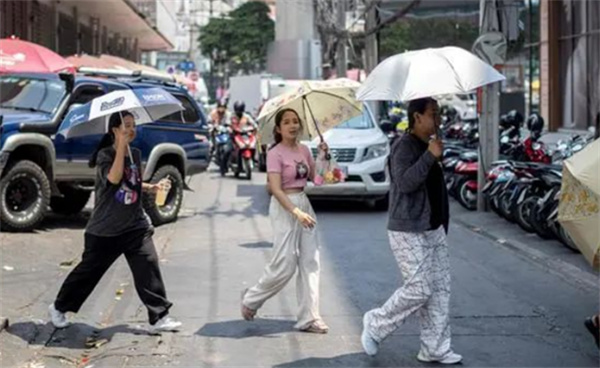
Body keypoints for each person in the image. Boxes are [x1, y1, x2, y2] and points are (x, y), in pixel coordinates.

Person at [48, 111, 181, 334]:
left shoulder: (135, 154)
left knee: (148, 265)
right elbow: (114, 179)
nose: (131, 130)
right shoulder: (105, 156)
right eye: (125, 126)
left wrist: (152, 187)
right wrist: (120, 147)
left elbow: (131, 183)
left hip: (135, 226)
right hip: (106, 229)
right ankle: (58, 307)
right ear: (114, 131)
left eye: (133, 126)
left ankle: (159, 317)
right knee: (88, 274)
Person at [361, 98, 462, 364]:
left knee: (440, 291)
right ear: (417, 117)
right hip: (408, 229)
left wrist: (434, 154)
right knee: (420, 288)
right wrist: (430, 156)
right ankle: (375, 324)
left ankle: (434, 348)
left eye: (438, 113)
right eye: (433, 114)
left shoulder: (430, 144)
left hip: (434, 228)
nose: (438, 119)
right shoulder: (403, 146)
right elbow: (405, 183)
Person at [241, 108, 329, 334]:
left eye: (295, 121)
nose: (292, 125)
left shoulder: (305, 150)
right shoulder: (275, 153)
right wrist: (295, 212)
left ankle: (310, 318)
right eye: (287, 122)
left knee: (311, 262)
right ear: (278, 129)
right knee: (285, 264)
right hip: (284, 207)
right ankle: (252, 299)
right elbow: (276, 189)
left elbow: (317, 180)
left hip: (304, 203)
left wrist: (322, 157)